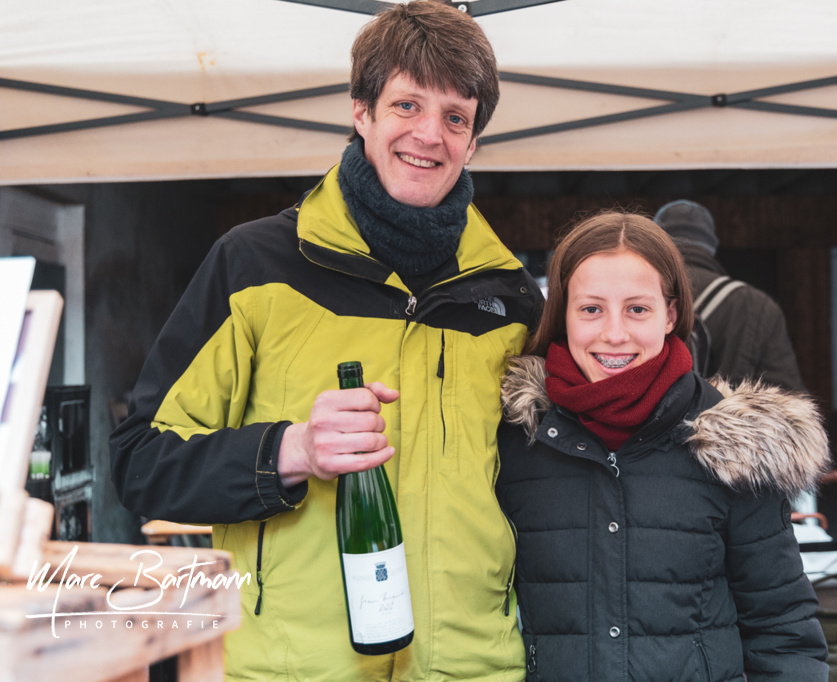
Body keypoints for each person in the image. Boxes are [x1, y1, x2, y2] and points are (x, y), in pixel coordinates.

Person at [109, 2, 542, 680]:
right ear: (361, 111)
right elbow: (140, 462)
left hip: (473, 667)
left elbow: (551, 487)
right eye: (406, 105)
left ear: (474, 141)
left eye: (456, 117)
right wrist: (291, 451)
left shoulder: (511, 299)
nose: (430, 134)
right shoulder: (253, 266)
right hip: (294, 668)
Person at [496, 211, 830, 681]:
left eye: (637, 309)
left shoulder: (733, 449)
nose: (615, 333)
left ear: (670, 314)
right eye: (591, 309)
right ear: (563, 314)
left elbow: (783, 631)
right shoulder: (516, 437)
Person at [653, 198, 806, 391]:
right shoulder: (757, 305)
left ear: (657, 245)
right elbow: (787, 396)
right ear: (712, 247)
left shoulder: (636, 298)